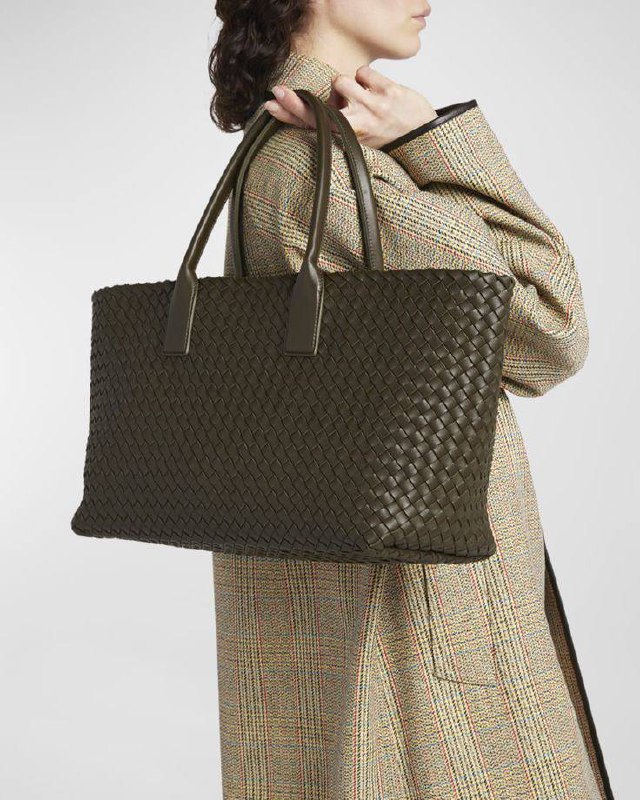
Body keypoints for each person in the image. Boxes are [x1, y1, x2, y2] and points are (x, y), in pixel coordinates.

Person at [209, 1, 614, 798]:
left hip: (360, 593)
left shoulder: (289, 149)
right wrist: (432, 138)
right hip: (422, 608)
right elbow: (551, 325)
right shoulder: (323, 167)